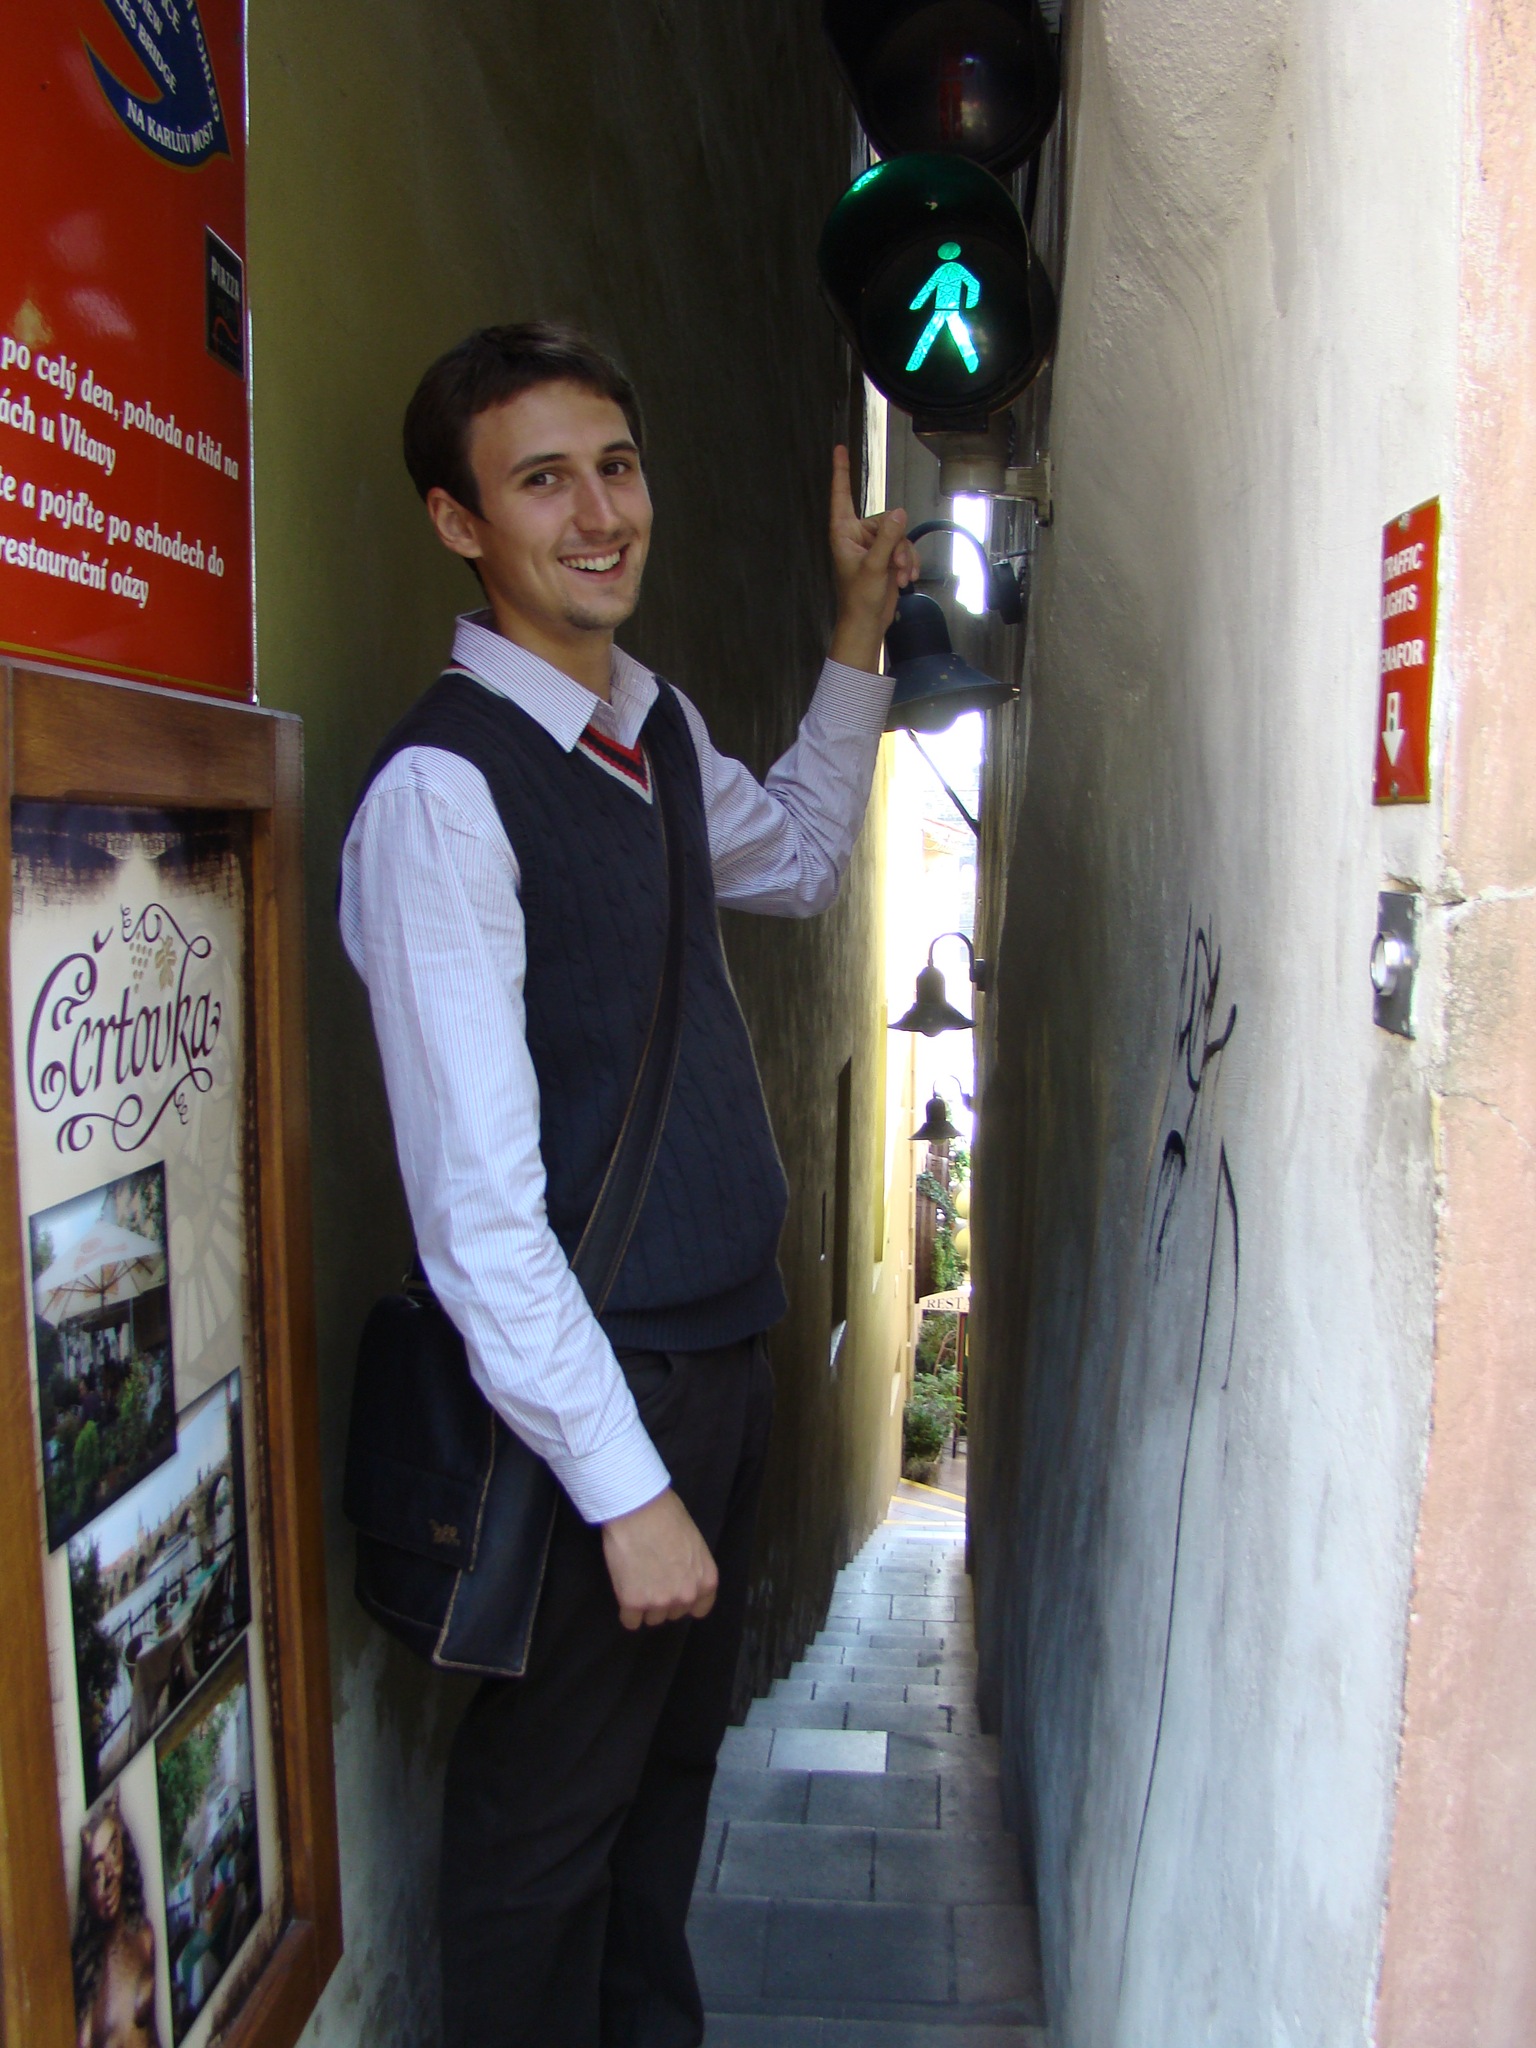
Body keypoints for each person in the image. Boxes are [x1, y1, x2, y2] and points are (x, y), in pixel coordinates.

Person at [339, 321, 914, 2047]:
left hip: (715, 1363)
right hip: (594, 1394)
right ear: (459, 522)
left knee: (663, 1796)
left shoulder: (645, 724)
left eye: (617, 466)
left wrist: (857, 636)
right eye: (543, 481)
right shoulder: (445, 794)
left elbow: (797, 861)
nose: (599, 515)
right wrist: (624, 1486)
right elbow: (477, 1221)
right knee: (545, 1835)